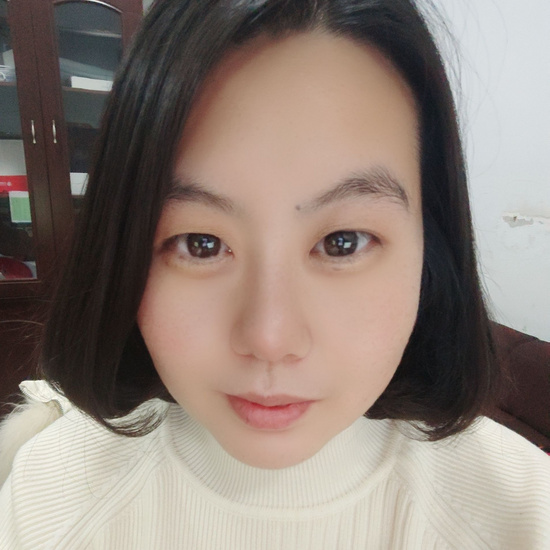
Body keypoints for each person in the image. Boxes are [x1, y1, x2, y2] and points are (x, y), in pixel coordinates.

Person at [0, 0, 549, 547]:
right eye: (201, 244)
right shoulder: (53, 497)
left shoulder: (521, 515)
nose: (270, 338)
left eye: (342, 242)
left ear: (431, 248)